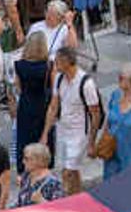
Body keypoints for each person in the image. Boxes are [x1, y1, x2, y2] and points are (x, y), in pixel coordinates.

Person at [40, 47, 101, 196]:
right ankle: (79, 198)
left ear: (67, 62)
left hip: (80, 134)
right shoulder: (59, 79)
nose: (54, 64)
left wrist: (92, 143)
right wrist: (45, 133)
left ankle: (64, 202)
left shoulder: (86, 83)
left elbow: (96, 114)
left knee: (67, 173)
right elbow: (53, 107)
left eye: (57, 61)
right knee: (73, 171)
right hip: (63, 130)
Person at [13, 31, 52, 175]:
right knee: (43, 136)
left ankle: (23, 169)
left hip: (25, 104)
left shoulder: (19, 65)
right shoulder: (48, 66)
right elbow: (52, 87)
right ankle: (43, 167)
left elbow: (17, 87)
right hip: (43, 105)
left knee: (24, 137)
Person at [15, 143, 64, 208]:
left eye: (27, 159)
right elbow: (20, 202)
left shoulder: (54, 183)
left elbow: (59, 210)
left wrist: (41, 200)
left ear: (39, 161)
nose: (23, 161)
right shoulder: (26, 176)